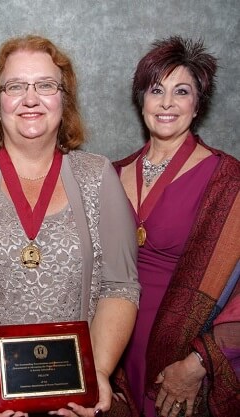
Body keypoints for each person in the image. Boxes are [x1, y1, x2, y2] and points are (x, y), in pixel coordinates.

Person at [0, 35, 140, 417]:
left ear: (64, 99)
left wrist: (98, 371)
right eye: (16, 86)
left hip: (74, 400)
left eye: (45, 85)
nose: (31, 98)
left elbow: (120, 285)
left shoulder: (98, 175)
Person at [113, 36, 240, 417]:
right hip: (113, 353)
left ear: (197, 103)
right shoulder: (109, 174)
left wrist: (198, 363)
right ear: (142, 100)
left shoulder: (228, 181)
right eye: (156, 90)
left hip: (183, 356)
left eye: (181, 91)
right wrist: (96, 366)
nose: (167, 102)